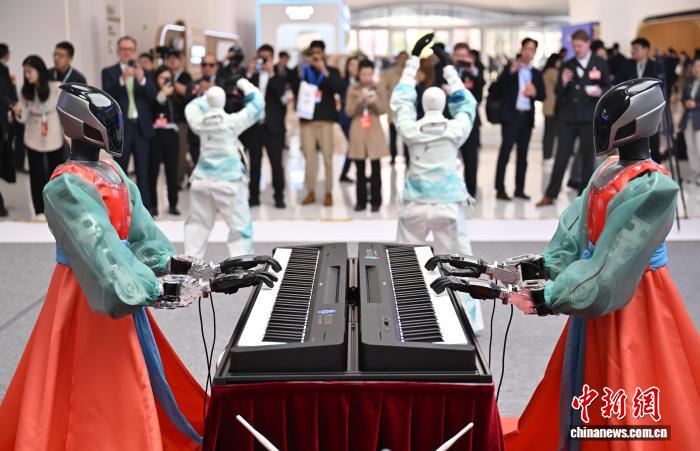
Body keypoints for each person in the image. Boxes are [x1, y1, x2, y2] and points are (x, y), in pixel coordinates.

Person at [0, 83, 276, 449]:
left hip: (118, 283)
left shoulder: (112, 171)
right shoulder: (66, 186)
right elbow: (103, 257)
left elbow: (147, 243)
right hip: (86, 295)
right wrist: (200, 286)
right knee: (92, 384)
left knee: (129, 379)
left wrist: (213, 271)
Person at [503, 78, 699, 451]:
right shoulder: (608, 169)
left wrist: (554, 294)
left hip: (633, 293)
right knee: (593, 372)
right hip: (594, 283)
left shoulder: (652, 187)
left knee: (629, 371)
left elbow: (615, 261)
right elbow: (576, 231)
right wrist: (544, 268)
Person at [391, 34, 483, 332]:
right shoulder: (455, 129)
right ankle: (467, 321)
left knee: (404, 263)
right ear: (443, 102)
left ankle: (400, 318)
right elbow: (467, 103)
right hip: (447, 206)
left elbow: (400, 101)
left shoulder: (411, 129)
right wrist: (448, 67)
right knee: (459, 263)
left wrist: (413, 61)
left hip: (414, 205)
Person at [184, 81, 263, 259]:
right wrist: (244, 84)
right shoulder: (232, 122)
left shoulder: (199, 122)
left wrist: (206, 97)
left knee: (196, 227)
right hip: (229, 182)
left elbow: (191, 107)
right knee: (240, 229)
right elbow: (258, 105)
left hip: (201, 180)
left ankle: (189, 267)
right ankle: (243, 268)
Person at [537, 29, 610, 206]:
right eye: (574, 46)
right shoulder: (567, 64)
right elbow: (558, 92)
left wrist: (600, 91)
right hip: (568, 118)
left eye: (580, 46)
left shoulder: (599, 63)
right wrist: (563, 81)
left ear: (588, 44)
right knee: (561, 157)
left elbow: (608, 87)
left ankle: (584, 196)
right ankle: (551, 194)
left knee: (587, 158)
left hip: (588, 117)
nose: (576, 49)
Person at [102, 36, 157, 208]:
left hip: (141, 128)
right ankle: (120, 207)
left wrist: (142, 80)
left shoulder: (144, 72)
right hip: (121, 128)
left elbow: (153, 96)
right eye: (124, 49)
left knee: (143, 170)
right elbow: (106, 96)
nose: (127, 52)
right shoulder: (109, 72)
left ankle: (145, 208)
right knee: (120, 171)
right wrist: (121, 80)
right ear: (118, 51)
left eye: (130, 49)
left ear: (135, 52)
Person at [10, 55, 65, 220]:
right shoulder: (25, 91)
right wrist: (18, 111)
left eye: (30, 71)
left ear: (39, 71)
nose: (27, 75)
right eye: (25, 72)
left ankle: (58, 208)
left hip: (54, 135)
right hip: (33, 136)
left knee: (56, 175)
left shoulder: (56, 87)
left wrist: (69, 136)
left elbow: (64, 112)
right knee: (36, 176)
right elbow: (22, 117)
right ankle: (40, 211)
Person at [494, 37, 545, 201]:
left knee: (523, 156)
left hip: (526, 118)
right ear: (521, 50)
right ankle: (500, 189)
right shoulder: (511, 68)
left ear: (535, 53)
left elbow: (543, 95)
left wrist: (535, 93)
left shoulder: (536, 73)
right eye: (526, 49)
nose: (529, 52)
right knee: (505, 153)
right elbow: (497, 88)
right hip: (511, 116)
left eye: (532, 49)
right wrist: (510, 72)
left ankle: (519, 189)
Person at [293, 40, 343, 207]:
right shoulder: (303, 71)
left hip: (325, 120)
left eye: (318, 53)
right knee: (309, 158)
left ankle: (328, 192)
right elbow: (293, 86)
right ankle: (311, 191)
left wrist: (324, 70)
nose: (316, 56)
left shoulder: (332, 71)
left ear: (323, 54)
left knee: (328, 158)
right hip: (307, 121)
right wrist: (301, 66)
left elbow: (338, 88)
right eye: (313, 53)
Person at [240, 44, 289, 208]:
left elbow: (283, 98)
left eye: (266, 58)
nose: (263, 61)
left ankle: (279, 196)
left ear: (272, 58)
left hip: (273, 128)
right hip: (254, 127)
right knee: (254, 164)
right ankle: (253, 196)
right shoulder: (251, 77)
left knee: (276, 164)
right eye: (261, 58)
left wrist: (271, 73)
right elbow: (242, 94)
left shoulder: (280, 77)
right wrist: (249, 72)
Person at [345, 59, 388, 212]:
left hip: (374, 129)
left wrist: (375, 102)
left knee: (376, 167)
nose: (366, 77)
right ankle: (361, 201)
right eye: (364, 74)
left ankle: (376, 201)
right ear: (359, 74)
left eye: (369, 74)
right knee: (359, 168)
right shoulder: (352, 89)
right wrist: (360, 100)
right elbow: (348, 111)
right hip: (358, 129)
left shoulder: (378, 87)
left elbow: (383, 109)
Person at [616, 37, 665, 161]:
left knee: (652, 139)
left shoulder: (654, 66)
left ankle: (654, 166)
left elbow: (661, 87)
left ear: (646, 50)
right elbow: (618, 82)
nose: (633, 51)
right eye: (632, 49)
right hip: (631, 111)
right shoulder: (628, 65)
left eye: (636, 49)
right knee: (631, 140)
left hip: (650, 109)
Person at [453, 43, 485, 199]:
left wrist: (473, 71)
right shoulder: (444, 71)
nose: (461, 59)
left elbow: (479, 96)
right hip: (451, 121)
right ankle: (450, 192)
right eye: (458, 55)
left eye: (464, 56)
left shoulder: (475, 72)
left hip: (471, 122)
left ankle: (470, 192)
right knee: (449, 159)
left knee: (471, 159)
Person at [148, 65, 180, 216]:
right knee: (153, 171)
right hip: (156, 134)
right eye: (162, 78)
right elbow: (152, 108)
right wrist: (161, 94)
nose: (166, 81)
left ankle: (173, 204)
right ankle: (153, 205)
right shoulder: (153, 93)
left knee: (172, 171)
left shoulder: (175, 94)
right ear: (156, 79)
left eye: (168, 78)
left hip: (172, 134)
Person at [165, 50, 193, 188]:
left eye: (175, 58)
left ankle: (178, 180)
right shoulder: (165, 74)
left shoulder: (185, 76)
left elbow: (186, 91)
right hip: (168, 119)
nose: (172, 61)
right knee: (172, 151)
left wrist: (171, 82)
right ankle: (191, 171)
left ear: (181, 61)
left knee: (181, 150)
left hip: (182, 119)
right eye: (170, 58)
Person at [382, 51, 409, 166]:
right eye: (401, 58)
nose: (403, 61)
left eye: (405, 58)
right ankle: (393, 156)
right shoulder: (389, 73)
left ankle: (407, 157)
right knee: (392, 135)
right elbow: (384, 89)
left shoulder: (410, 73)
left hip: (407, 109)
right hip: (393, 108)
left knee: (406, 135)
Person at [338, 56, 359, 183]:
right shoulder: (342, 82)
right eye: (351, 65)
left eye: (357, 65)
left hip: (359, 119)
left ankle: (346, 173)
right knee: (353, 144)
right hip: (346, 118)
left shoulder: (362, 82)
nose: (354, 68)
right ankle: (348, 172)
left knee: (355, 145)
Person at [680, 57, 700, 186]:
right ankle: (695, 172)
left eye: (699, 66)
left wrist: (695, 104)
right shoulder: (690, 81)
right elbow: (684, 97)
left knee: (699, 148)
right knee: (691, 148)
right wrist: (686, 102)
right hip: (688, 119)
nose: (697, 69)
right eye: (695, 66)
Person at [541, 53, 561, 166]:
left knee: (548, 132)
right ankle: (548, 155)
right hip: (552, 106)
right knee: (550, 133)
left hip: (547, 105)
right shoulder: (553, 72)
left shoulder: (546, 71)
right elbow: (560, 84)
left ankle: (546, 155)